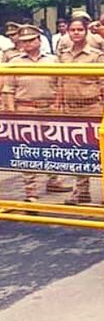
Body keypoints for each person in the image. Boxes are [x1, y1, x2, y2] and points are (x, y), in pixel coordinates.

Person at [1, 25, 72, 201]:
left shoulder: (53, 60)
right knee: (27, 150)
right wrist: (11, 113)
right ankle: (30, 189)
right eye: (24, 41)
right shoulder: (14, 63)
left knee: (53, 147)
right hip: (25, 108)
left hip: (49, 108)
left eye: (32, 40)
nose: (28, 44)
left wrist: (58, 106)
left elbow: (61, 85)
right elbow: (8, 90)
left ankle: (54, 180)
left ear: (39, 40)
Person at [58, 16, 104, 205]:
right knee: (76, 151)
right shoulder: (63, 55)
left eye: (80, 29)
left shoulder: (96, 56)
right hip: (71, 109)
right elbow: (61, 82)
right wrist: (59, 105)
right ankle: (81, 191)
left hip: (93, 107)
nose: (76, 33)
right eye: (72, 30)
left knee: (103, 151)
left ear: (86, 31)